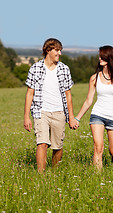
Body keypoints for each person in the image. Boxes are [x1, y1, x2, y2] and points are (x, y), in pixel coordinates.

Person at [24, 38, 79, 172]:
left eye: (60, 50)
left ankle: (55, 173)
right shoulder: (35, 68)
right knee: (42, 143)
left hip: (59, 112)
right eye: (57, 50)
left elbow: (68, 95)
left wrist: (71, 117)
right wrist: (26, 117)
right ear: (48, 50)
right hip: (40, 111)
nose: (59, 53)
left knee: (57, 147)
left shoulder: (64, 69)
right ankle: (41, 177)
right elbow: (29, 93)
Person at [74, 45, 113, 170]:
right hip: (98, 115)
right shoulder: (94, 78)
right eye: (99, 56)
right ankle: (97, 178)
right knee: (98, 147)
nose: (99, 58)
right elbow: (89, 100)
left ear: (110, 58)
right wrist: (77, 118)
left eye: (102, 56)